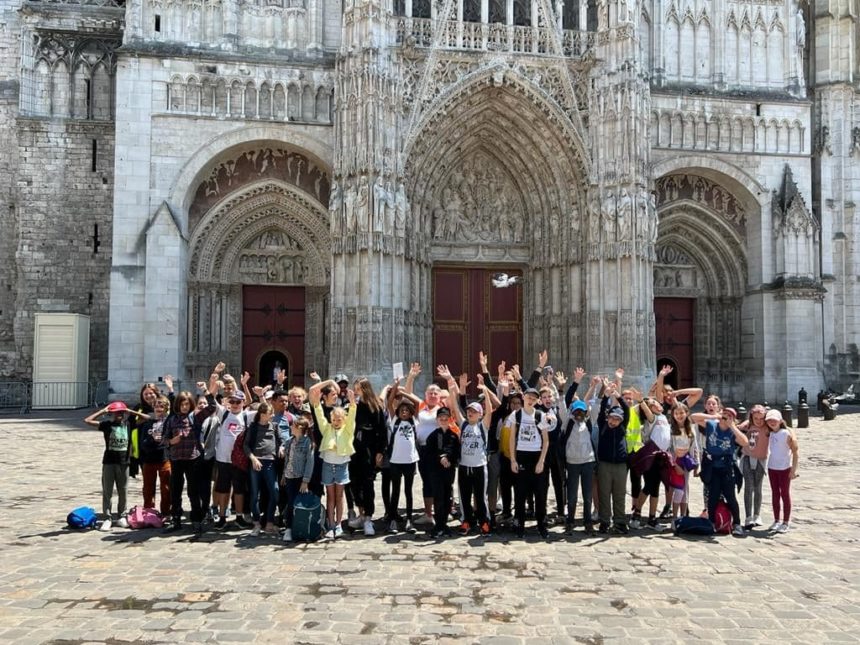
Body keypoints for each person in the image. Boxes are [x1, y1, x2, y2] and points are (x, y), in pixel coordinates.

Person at [161, 382, 217, 535]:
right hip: (177, 459)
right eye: (181, 404)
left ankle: (196, 520)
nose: (184, 407)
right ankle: (176, 519)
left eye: (187, 404)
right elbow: (163, 439)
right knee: (175, 491)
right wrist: (171, 441)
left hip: (193, 459)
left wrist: (206, 391)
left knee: (194, 491)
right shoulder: (171, 419)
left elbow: (212, 407)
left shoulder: (196, 417)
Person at [84, 401, 150, 531]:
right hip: (109, 462)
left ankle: (121, 515)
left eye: (121, 412)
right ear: (112, 414)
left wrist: (129, 411)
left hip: (124, 462)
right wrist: (103, 411)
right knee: (107, 490)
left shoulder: (129, 424)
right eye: (116, 413)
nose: (119, 415)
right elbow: (87, 420)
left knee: (123, 490)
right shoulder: (107, 425)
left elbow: (147, 418)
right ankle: (107, 517)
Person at [692, 407, 749, 537]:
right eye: (725, 414)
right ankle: (711, 522)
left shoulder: (733, 431)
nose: (725, 417)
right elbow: (693, 417)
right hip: (713, 466)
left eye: (730, 415)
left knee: (730, 497)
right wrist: (713, 417)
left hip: (727, 467)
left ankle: (737, 524)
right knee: (713, 496)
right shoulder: (712, 425)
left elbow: (745, 442)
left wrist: (733, 426)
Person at [311, 379, 357, 538]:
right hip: (327, 466)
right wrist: (317, 405)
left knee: (339, 496)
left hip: (342, 466)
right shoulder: (327, 429)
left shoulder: (347, 430)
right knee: (330, 496)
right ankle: (330, 524)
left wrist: (352, 406)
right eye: (334, 419)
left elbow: (351, 419)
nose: (336, 422)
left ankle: (339, 524)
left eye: (339, 420)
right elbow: (319, 417)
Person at [449, 375, 494, 536]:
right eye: (469, 411)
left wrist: (486, 392)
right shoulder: (464, 424)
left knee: (481, 498)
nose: (470, 414)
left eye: (474, 412)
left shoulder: (483, 426)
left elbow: (489, 411)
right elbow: (454, 407)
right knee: (465, 497)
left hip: (479, 467)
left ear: (479, 414)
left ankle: (484, 522)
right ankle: (466, 520)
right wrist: (452, 388)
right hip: (464, 466)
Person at [508, 387, 551, 539]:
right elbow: (512, 438)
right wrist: (513, 459)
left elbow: (546, 441)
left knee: (540, 493)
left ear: (537, 400)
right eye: (528, 397)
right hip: (521, 456)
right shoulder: (516, 415)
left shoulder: (540, 416)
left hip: (536, 456)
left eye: (534, 398)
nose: (531, 400)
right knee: (520, 493)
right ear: (524, 397)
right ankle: (519, 524)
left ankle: (541, 524)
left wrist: (542, 461)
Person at [347, 378, 387, 536]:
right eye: (355, 388)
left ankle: (369, 518)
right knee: (355, 483)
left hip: (369, 449)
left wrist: (380, 451)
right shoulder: (355, 405)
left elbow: (382, 430)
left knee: (368, 484)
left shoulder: (375, 406)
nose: (356, 391)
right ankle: (361, 514)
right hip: (354, 449)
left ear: (365, 388)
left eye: (358, 388)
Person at [212, 390, 255, 530]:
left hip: (239, 460)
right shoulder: (223, 413)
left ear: (243, 403)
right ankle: (222, 516)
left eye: (238, 402)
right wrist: (211, 383)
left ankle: (239, 517)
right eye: (232, 402)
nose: (235, 404)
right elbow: (211, 399)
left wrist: (260, 395)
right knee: (223, 489)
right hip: (223, 459)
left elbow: (267, 412)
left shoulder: (247, 416)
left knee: (239, 490)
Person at [385, 384, 421, 533]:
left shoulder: (414, 422)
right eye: (402, 410)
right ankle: (393, 519)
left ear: (410, 412)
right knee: (396, 491)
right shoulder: (395, 421)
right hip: (395, 461)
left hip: (410, 461)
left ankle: (408, 521)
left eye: (407, 410)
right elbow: (389, 403)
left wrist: (405, 394)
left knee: (408, 491)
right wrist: (395, 388)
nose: (404, 412)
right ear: (398, 412)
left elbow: (418, 403)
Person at [631, 396, 670, 530]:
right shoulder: (652, 419)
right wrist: (642, 402)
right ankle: (636, 513)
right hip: (651, 457)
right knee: (648, 486)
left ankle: (652, 518)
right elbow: (647, 412)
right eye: (653, 404)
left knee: (656, 489)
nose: (657, 405)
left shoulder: (664, 418)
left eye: (657, 402)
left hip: (662, 458)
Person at [596, 381, 630, 534]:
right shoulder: (603, 425)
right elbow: (602, 410)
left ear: (621, 421)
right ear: (608, 417)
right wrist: (606, 396)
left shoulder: (623, 427)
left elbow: (627, 411)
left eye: (617, 419)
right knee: (604, 494)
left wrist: (619, 397)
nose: (614, 421)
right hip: (604, 464)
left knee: (619, 495)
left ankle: (620, 521)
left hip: (621, 466)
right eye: (612, 418)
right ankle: (604, 521)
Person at [560, 398, 597, 535]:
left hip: (588, 461)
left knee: (587, 495)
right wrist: (562, 391)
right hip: (572, 462)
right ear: (573, 412)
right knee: (572, 495)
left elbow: (597, 407)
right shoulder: (568, 423)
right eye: (576, 412)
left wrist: (600, 390)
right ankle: (570, 521)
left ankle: (587, 521)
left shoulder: (589, 422)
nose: (579, 414)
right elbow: (562, 409)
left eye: (581, 411)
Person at [245, 401, 281, 537]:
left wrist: (281, 448)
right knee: (254, 494)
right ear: (261, 414)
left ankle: (270, 522)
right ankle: (256, 523)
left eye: (272, 414)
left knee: (275, 491)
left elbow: (280, 441)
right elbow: (246, 446)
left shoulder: (274, 426)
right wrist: (253, 458)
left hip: (270, 462)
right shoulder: (253, 427)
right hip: (256, 462)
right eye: (268, 414)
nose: (271, 416)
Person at [425, 405, 460, 539]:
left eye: (446, 418)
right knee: (438, 497)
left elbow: (455, 451)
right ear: (437, 420)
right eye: (441, 418)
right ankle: (438, 523)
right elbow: (429, 453)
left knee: (447, 497)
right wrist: (440, 458)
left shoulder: (453, 436)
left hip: (448, 471)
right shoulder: (433, 436)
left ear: (450, 419)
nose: (444, 420)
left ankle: (444, 523)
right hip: (436, 472)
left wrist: (449, 459)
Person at [280, 416, 316, 542]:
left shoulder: (308, 443)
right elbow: (287, 459)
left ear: (299, 428)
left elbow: (309, 463)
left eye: (293, 426)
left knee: (299, 504)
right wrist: (284, 474)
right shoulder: (290, 441)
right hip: (290, 476)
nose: (290, 428)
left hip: (300, 477)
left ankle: (300, 527)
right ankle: (289, 528)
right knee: (290, 503)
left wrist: (305, 481)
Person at [765, 409, 799, 533]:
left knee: (785, 494)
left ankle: (785, 521)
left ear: (780, 420)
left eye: (774, 420)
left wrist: (793, 470)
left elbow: (795, 452)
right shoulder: (771, 433)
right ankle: (776, 520)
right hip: (772, 467)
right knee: (775, 494)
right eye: (769, 420)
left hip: (784, 468)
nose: (771, 422)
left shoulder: (786, 434)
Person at [137, 395, 172, 516]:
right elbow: (142, 443)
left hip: (164, 459)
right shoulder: (148, 423)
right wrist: (152, 439)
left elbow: (172, 441)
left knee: (166, 488)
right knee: (148, 488)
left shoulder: (169, 422)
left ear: (166, 408)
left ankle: (166, 512)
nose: (159, 408)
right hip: (149, 459)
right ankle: (149, 511)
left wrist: (162, 441)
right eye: (157, 406)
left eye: (162, 406)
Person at [739, 404, 769, 528]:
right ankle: (748, 517)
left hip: (761, 460)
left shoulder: (767, 427)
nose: (759, 421)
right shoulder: (748, 426)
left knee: (758, 488)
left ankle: (757, 514)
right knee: (748, 486)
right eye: (756, 418)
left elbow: (779, 422)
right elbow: (736, 429)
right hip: (747, 457)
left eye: (761, 418)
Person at [667, 403, 699, 521]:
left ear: (687, 413)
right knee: (676, 489)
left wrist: (697, 465)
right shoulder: (671, 429)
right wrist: (674, 464)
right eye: (676, 413)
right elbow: (669, 448)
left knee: (685, 489)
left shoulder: (691, 428)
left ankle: (684, 516)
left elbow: (695, 447)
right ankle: (674, 517)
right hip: (675, 462)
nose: (679, 416)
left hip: (686, 461)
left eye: (681, 413)